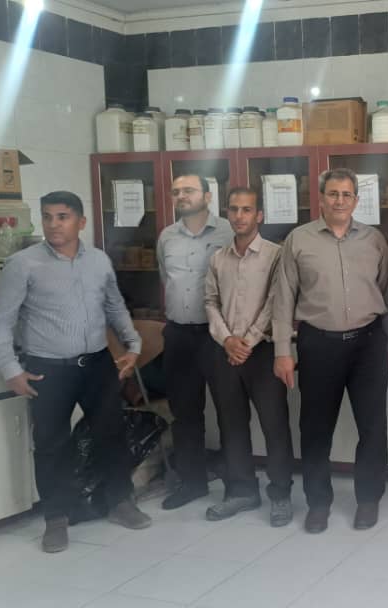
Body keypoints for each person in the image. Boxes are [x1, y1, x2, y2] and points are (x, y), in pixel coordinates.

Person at [0, 191, 152, 553]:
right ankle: (56, 519)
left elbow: (114, 306)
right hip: (48, 369)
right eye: (47, 216)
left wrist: (133, 344)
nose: (53, 224)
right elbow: (1, 321)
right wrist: (11, 369)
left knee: (111, 434)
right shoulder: (22, 264)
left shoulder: (98, 261)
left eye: (62, 217)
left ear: (81, 221)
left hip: (97, 364)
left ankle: (120, 502)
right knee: (51, 445)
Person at [272, 168, 388, 534]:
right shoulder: (298, 240)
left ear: (357, 200)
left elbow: (383, 290)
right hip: (318, 343)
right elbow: (283, 299)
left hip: (368, 344)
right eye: (333, 194)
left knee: (372, 426)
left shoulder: (374, 240)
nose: (340, 200)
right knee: (314, 428)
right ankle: (318, 503)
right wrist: (282, 351)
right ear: (321, 198)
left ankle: (368, 499)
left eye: (346, 194)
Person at [203, 187, 294, 527]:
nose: (239, 216)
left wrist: (248, 341)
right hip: (226, 352)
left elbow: (277, 302)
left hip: (263, 351)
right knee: (231, 425)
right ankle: (241, 490)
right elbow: (210, 302)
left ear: (259, 215)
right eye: (234, 209)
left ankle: (280, 493)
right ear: (227, 213)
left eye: (247, 210)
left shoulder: (275, 255)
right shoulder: (218, 258)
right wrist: (227, 339)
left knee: (275, 425)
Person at [157, 173, 232, 510]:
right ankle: (192, 482)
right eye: (176, 191)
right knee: (184, 413)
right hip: (178, 334)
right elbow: (166, 278)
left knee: (230, 410)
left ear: (207, 196)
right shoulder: (166, 237)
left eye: (189, 190)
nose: (181, 196)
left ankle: (237, 482)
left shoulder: (227, 232)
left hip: (218, 336)